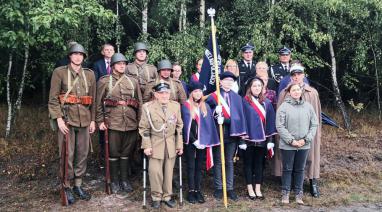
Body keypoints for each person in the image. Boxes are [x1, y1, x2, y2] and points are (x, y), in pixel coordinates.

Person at [49, 43, 96, 204]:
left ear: (83, 57)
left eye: (80, 54)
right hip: (67, 121)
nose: (78, 57)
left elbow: (93, 100)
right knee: (67, 156)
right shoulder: (59, 72)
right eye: (74, 54)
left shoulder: (89, 75)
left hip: (84, 120)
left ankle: (78, 185)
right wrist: (58, 119)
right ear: (70, 56)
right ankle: (66, 186)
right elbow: (53, 99)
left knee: (82, 154)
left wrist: (93, 120)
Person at [96, 53, 142, 194]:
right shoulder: (104, 81)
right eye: (119, 63)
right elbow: (98, 104)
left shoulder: (133, 81)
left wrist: (140, 123)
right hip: (113, 123)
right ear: (113, 65)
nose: (122, 65)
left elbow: (139, 103)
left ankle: (124, 180)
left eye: (124, 63)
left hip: (130, 123)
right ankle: (114, 181)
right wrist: (99, 121)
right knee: (114, 154)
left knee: (127, 153)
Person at [276, 63, 322, 198]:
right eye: (293, 75)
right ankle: (288, 187)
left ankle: (313, 181)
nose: (296, 77)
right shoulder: (284, 92)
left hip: (307, 135)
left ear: (303, 75)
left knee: (311, 157)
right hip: (289, 135)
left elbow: (316, 118)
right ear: (290, 77)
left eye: (299, 74)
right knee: (288, 163)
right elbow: (280, 117)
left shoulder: (312, 93)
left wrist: (312, 134)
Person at [139, 81, 184, 209]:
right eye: (161, 93)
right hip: (155, 143)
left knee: (169, 171)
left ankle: (167, 196)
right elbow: (143, 128)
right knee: (155, 172)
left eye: (167, 93)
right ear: (156, 94)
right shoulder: (148, 107)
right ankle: (156, 196)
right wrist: (147, 146)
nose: (164, 95)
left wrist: (179, 145)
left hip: (170, 143)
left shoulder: (175, 106)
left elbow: (179, 126)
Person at [206, 71, 247, 201]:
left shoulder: (237, 98)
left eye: (231, 81)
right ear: (221, 81)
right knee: (218, 162)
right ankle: (218, 187)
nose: (228, 82)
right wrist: (214, 113)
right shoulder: (213, 96)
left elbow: (240, 118)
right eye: (226, 80)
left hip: (231, 135)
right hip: (218, 134)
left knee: (229, 162)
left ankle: (229, 188)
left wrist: (227, 120)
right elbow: (206, 113)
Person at [181, 80, 220, 204]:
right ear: (191, 93)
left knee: (199, 167)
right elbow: (185, 126)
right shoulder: (186, 105)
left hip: (202, 141)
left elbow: (208, 123)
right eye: (195, 91)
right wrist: (194, 140)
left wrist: (216, 112)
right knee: (191, 166)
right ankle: (191, 191)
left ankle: (198, 190)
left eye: (200, 91)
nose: (198, 94)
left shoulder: (205, 106)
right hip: (191, 142)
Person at [240, 77, 277, 200]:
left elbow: (271, 121)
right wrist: (242, 139)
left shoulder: (267, 102)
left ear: (262, 88)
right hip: (248, 140)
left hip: (262, 140)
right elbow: (241, 121)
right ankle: (250, 188)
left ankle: (258, 188)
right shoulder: (244, 102)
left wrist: (270, 140)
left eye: (259, 86)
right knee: (248, 164)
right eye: (254, 86)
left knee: (259, 165)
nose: (256, 88)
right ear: (250, 87)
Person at [92, 43, 115, 170]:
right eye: (106, 50)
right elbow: (96, 82)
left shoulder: (119, 63)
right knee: (103, 132)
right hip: (103, 98)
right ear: (102, 52)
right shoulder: (97, 65)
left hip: (115, 101)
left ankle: (113, 159)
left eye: (111, 50)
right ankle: (103, 159)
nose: (109, 51)